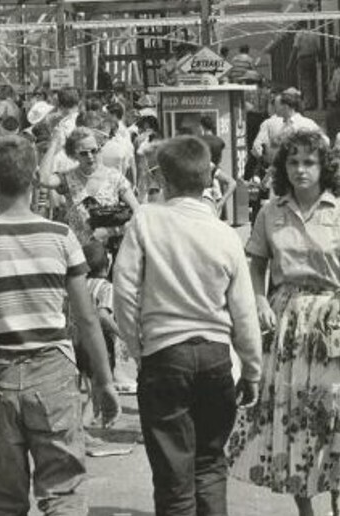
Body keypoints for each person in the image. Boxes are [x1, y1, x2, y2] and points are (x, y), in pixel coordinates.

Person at [0, 134, 120, 516]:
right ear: (34, 178)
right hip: (54, 372)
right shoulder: (60, 237)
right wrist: (104, 380)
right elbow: (86, 316)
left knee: (5, 496)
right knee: (63, 489)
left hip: (0, 370)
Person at [112, 136, 262, 516]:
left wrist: (137, 347)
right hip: (215, 357)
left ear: (164, 179)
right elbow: (244, 313)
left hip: (164, 355)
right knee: (210, 464)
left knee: (173, 474)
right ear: (208, 179)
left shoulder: (146, 220)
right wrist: (252, 371)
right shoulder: (225, 234)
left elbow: (124, 292)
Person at [226, 129, 340, 516]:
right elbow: (255, 261)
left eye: (309, 162)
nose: (300, 170)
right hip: (288, 321)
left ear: (324, 166)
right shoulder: (270, 212)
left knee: (333, 411)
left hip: (333, 318)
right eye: (293, 162)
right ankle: (305, 509)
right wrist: (259, 298)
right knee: (292, 413)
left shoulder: (338, 210)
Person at [40, 125, 139, 249]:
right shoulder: (67, 177)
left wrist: (111, 231)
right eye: (83, 153)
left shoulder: (115, 177)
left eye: (94, 151)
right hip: (77, 254)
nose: (90, 156)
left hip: (109, 254)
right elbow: (43, 180)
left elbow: (138, 213)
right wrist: (54, 144)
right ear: (74, 155)